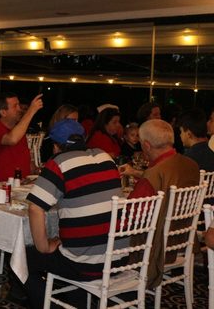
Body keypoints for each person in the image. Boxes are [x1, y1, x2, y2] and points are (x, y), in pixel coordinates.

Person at [25, 119, 127, 308]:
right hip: (119, 259)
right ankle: (76, 302)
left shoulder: (59, 163)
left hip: (86, 265)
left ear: (55, 146)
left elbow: (35, 208)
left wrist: (44, 246)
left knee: (25, 257)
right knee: (71, 247)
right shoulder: (105, 156)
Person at [124, 119, 200, 288]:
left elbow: (132, 217)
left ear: (146, 145)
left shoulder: (154, 174)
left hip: (156, 247)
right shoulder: (191, 164)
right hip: (181, 239)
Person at [0, 92, 43, 181]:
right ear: (3, 112)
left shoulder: (18, 130)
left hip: (22, 184)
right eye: (15, 106)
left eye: (19, 105)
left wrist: (38, 170)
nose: (19, 109)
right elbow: (12, 139)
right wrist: (30, 111)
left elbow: (25, 161)